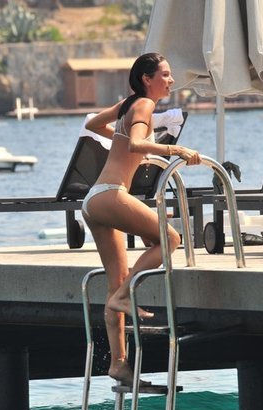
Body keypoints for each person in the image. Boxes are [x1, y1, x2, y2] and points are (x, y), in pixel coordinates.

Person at [82, 52, 202, 386]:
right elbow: (136, 143)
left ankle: (118, 364)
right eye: (165, 74)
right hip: (110, 193)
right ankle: (125, 296)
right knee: (171, 239)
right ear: (147, 79)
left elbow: (92, 125)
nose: (171, 80)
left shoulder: (128, 104)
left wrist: (121, 141)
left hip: (94, 200)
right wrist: (176, 150)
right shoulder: (145, 105)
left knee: (117, 280)